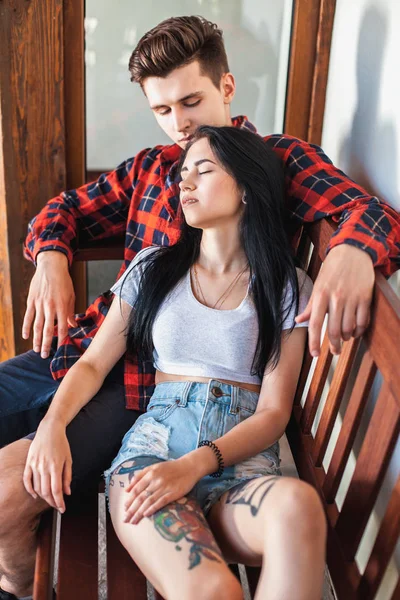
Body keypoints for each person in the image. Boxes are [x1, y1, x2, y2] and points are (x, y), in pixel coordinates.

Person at [0, 15, 398, 600]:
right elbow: (63, 211)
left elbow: (368, 213)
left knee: (11, 487)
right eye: (162, 111)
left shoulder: (272, 162)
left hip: (140, 390)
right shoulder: (154, 168)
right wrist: (53, 257)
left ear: (227, 87)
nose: (179, 126)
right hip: (88, 348)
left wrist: (353, 252)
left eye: (191, 101)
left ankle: (13, 582)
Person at [27, 124, 326, 600]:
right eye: (183, 173)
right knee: (212, 591)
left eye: (202, 171)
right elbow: (91, 365)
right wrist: (53, 425)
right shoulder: (152, 268)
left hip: (242, 464)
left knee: (300, 507)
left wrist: (197, 465)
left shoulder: (287, 286)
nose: (184, 183)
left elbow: (273, 412)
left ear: (247, 186)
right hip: (155, 455)